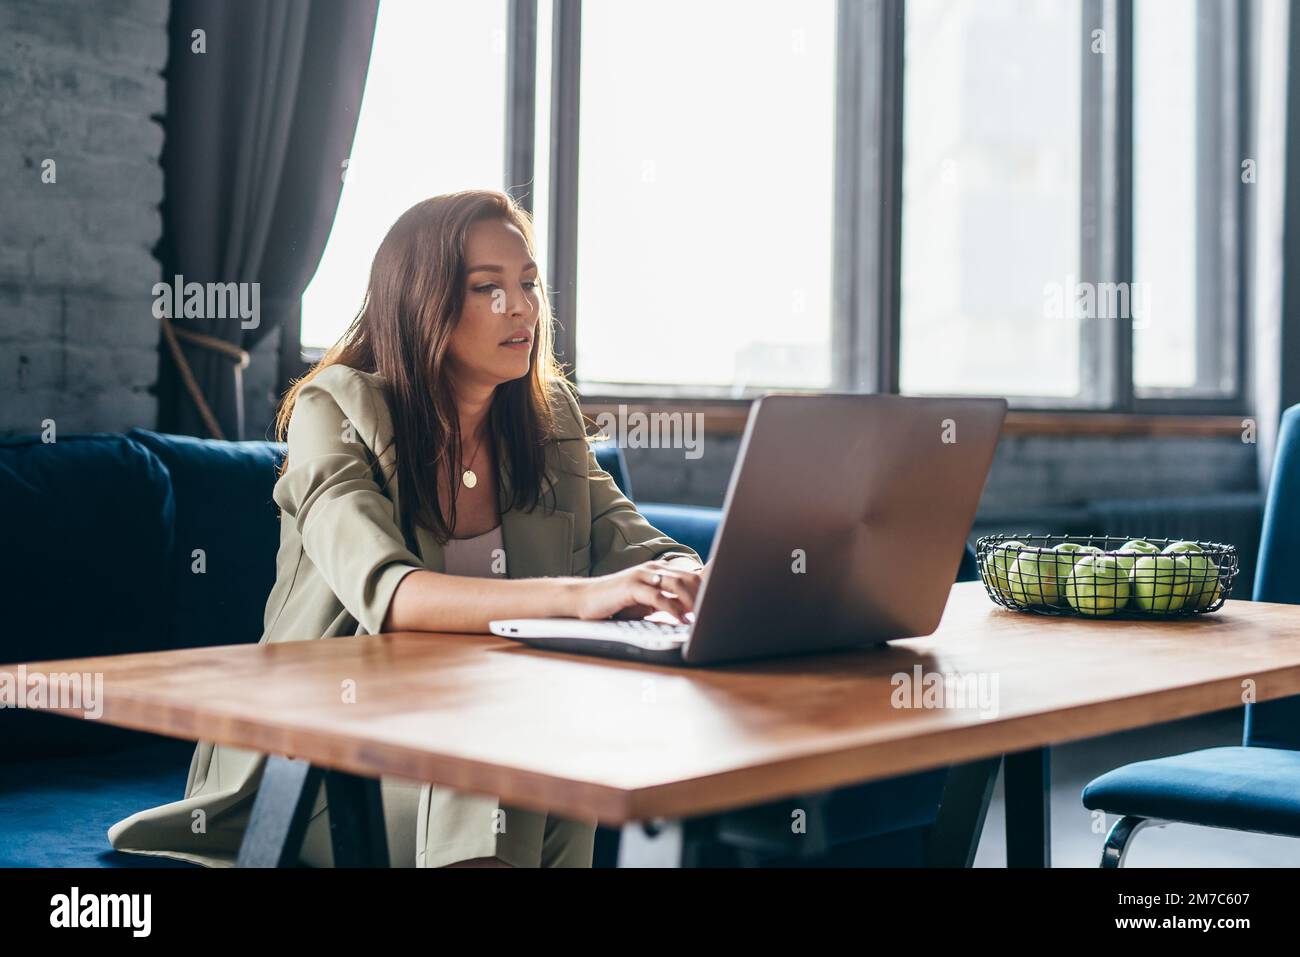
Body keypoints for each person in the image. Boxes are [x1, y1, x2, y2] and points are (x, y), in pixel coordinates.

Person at [108, 189, 706, 868]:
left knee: (542, 750)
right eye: (489, 288)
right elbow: (390, 594)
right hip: (323, 758)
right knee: (501, 746)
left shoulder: (549, 418)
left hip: (489, 729)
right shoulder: (331, 410)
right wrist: (579, 596)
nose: (523, 308)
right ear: (425, 301)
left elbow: (641, 544)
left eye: (529, 283)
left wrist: (691, 577)